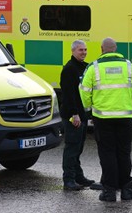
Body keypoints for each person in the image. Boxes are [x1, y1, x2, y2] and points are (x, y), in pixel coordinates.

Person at [79, 37, 132, 202]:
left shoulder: (93, 68)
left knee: (107, 154)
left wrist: (88, 112)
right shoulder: (129, 66)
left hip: (102, 118)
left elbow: (84, 91)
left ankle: (109, 191)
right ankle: (126, 190)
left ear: (102, 49)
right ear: (115, 49)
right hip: (124, 118)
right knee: (124, 153)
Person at [60, 40, 95, 191]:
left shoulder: (85, 67)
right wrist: (75, 114)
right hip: (73, 115)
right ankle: (68, 179)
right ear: (73, 51)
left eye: (85, 50)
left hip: (82, 114)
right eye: (81, 50)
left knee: (78, 148)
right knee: (72, 148)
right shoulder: (69, 69)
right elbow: (69, 95)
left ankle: (78, 176)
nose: (84, 52)